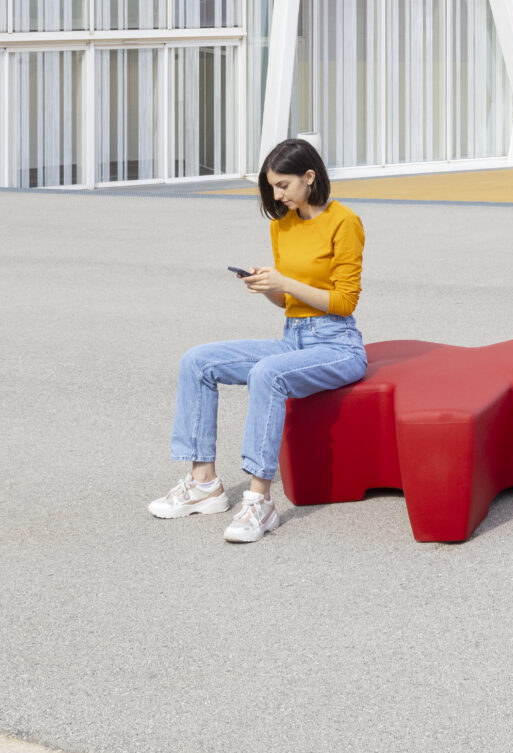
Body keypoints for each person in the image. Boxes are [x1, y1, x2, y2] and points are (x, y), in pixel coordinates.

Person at [147, 138, 367, 542]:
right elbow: (288, 301)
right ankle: (203, 484)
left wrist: (286, 281)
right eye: (271, 187)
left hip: (337, 345)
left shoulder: (344, 221)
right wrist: (267, 286)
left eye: (283, 185)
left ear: (309, 177)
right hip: (294, 338)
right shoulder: (280, 224)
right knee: (198, 360)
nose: (276, 195)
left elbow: (344, 301)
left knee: (267, 373)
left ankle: (259, 501)